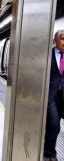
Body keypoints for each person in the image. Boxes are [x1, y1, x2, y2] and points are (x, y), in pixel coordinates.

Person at [44, 30, 64, 161]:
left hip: (62, 96)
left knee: (54, 125)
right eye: (62, 38)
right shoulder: (48, 55)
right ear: (55, 40)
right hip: (50, 95)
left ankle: (47, 148)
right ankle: (51, 152)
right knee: (55, 124)